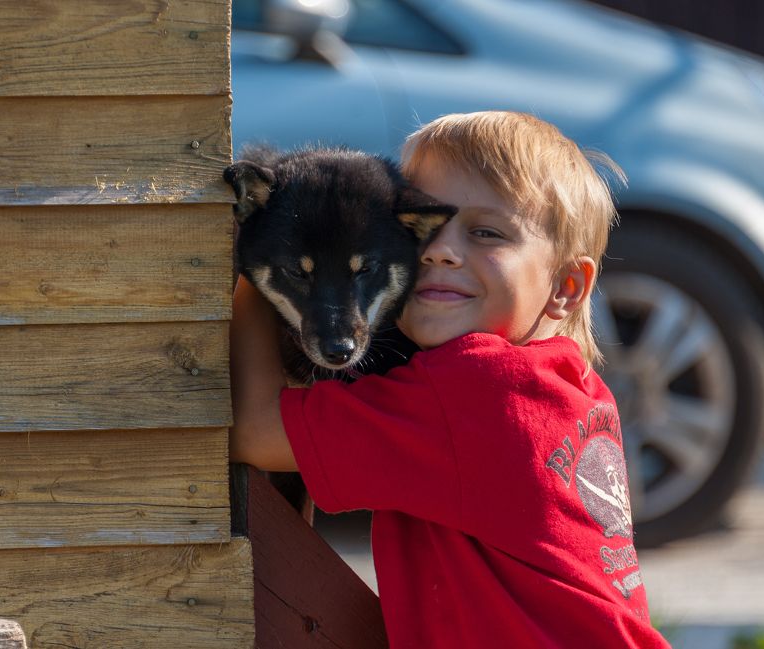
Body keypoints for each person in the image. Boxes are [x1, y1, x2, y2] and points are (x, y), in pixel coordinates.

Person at [229, 111, 671, 648]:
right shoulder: (571, 388)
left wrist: (255, 268)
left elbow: (253, 431)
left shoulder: (473, 391)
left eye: (486, 233)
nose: (439, 249)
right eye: (423, 227)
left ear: (567, 285)